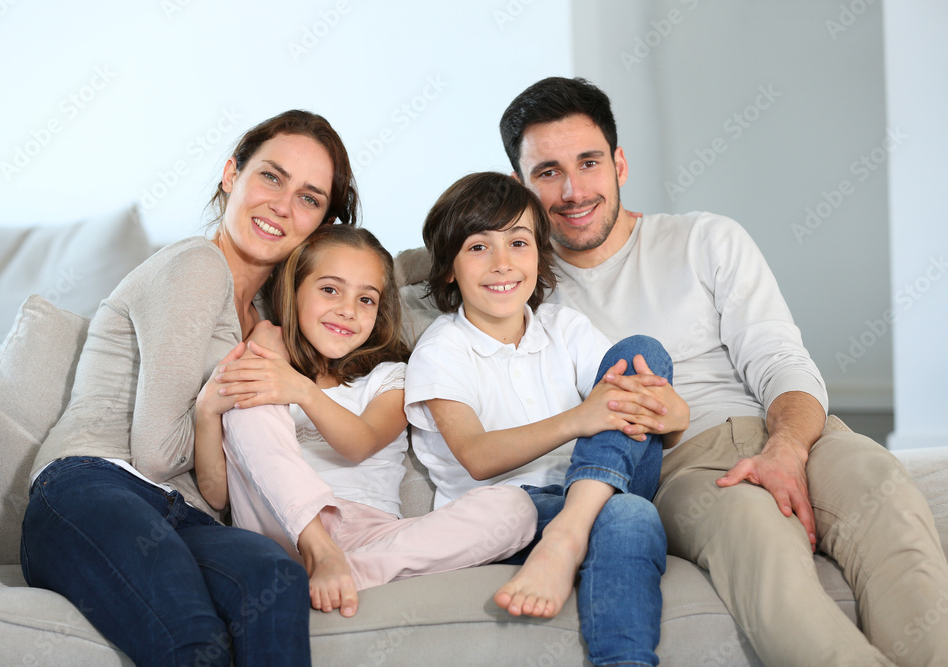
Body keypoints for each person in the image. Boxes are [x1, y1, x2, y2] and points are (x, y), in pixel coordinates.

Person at [498, 76, 948, 667]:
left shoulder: (705, 238)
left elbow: (781, 359)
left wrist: (787, 448)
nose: (574, 190)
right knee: (764, 553)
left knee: (888, 501)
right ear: (518, 186)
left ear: (620, 162)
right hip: (686, 465)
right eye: (548, 172)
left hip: (793, 431)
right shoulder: (517, 289)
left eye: (588, 162)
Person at [20, 109, 359, 667]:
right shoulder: (196, 265)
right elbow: (154, 456)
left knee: (274, 575)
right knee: (194, 638)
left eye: (309, 197)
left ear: (321, 224)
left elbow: (221, 491)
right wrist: (208, 411)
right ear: (232, 176)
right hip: (91, 489)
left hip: (185, 516)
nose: (281, 205)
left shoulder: (274, 320)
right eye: (271, 177)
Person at [404, 172, 689, 667]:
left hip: (592, 487)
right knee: (632, 515)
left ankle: (567, 535)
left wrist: (674, 414)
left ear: (539, 255)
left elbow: (656, 422)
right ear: (448, 267)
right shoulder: (441, 349)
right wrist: (579, 418)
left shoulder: (564, 327)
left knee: (641, 351)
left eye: (518, 243)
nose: (502, 263)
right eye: (478, 247)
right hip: (509, 513)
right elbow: (476, 455)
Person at [195, 224, 536, 619]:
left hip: (371, 536)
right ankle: (318, 554)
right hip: (278, 529)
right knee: (254, 394)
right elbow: (217, 495)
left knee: (517, 508)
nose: (348, 310)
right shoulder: (268, 369)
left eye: (367, 299)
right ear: (292, 291)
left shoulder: (391, 377)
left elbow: (360, 443)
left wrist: (303, 391)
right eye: (329, 289)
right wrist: (207, 411)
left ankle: (341, 573)